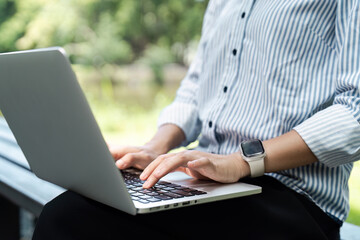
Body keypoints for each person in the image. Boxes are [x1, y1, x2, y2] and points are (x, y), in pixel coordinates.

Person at [33, 1, 360, 239]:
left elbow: (355, 111)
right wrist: (156, 148)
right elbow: (197, 86)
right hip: (204, 184)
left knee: (69, 220)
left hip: (293, 197)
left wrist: (241, 162)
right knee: (79, 209)